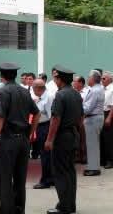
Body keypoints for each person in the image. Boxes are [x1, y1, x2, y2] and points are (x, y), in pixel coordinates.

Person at [0, 62, 41, 214]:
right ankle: (19, 210)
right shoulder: (25, 91)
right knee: (20, 179)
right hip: (23, 140)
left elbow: (0, 118)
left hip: (8, 140)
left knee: (4, 179)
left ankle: (7, 211)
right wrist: (30, 133)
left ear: (1, 75)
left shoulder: (3, 91)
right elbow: (37, 113)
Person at [45, 65, 84, 214]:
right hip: (73, 134)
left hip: (62, 137)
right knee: (70, 172)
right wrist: (75, 130)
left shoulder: (60, 95)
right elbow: (81, 117)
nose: (54, 80)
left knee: (60, 172)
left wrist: (49, 140)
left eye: (55, 77)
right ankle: (70, 204)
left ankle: (64, 207)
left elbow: (55, 119)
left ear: (59, 79)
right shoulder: (76, 94)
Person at [31, 79, 54, 189]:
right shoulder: (41, 97)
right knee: (46, 155)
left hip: (46, 127)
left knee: (45, 155)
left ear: (37, 88)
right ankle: (50, 178)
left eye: (33, 88)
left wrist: (50, 136)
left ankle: (46, 180)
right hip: (41, 126)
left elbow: (52, 117)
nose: (33, 91)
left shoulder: (48, 97)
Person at [83, 70, 105, 176]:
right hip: (95, 118)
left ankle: (94, 168)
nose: (87, 79)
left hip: (93, 118)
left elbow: (87, 108)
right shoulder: (98, 89)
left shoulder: (95, 90)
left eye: (88, 77)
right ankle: (93, 166)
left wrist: (78, 108)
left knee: (92, 145)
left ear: (92, 79)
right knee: (94, 144)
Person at [100, 71, 113, 169]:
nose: (102, 80)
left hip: (108, 113)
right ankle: (103, 159)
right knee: (102, 137)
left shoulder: (112, 89)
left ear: (110, 79)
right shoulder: (102, 88)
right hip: (101, 113)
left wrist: (109, 117)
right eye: (101, 78)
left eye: (104, 78)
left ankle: (110, 160)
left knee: (109, 138)